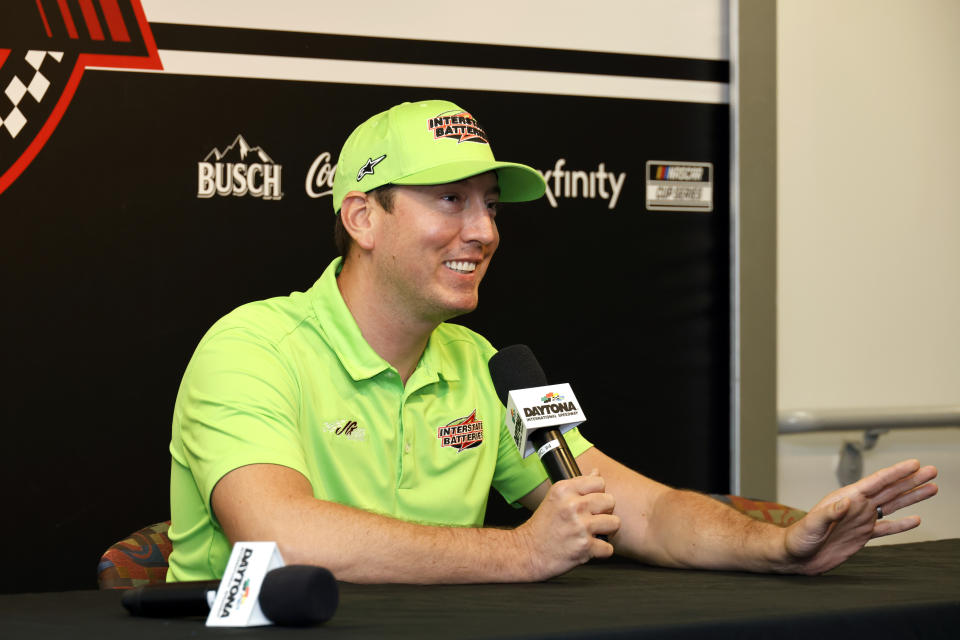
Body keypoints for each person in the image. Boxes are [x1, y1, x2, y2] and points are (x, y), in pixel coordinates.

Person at [166, 99, 938, 584]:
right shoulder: (252, 346)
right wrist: (518, 553)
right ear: (363, 218)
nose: (484, 231)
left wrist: (775, 546)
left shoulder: (482, 364)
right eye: (450, 200)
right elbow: (279, 538)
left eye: (491, 206)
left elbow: (632, 506)